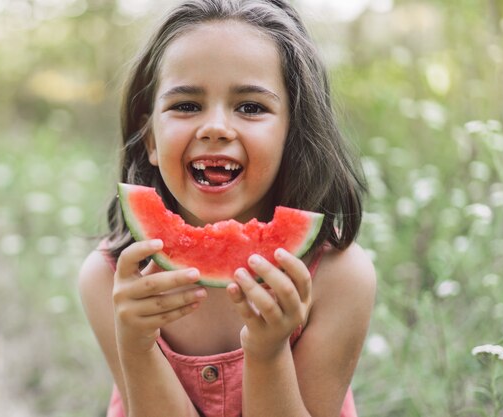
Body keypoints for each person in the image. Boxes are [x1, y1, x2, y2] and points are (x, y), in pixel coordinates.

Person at [78, 0, 377, 416]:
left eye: (250, 107)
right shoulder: (111, 281)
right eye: (186, 105)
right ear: (149, 139)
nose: (216, 127)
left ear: (293, 135)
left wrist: (269, 353)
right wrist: (137, 345)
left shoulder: (338, 279)